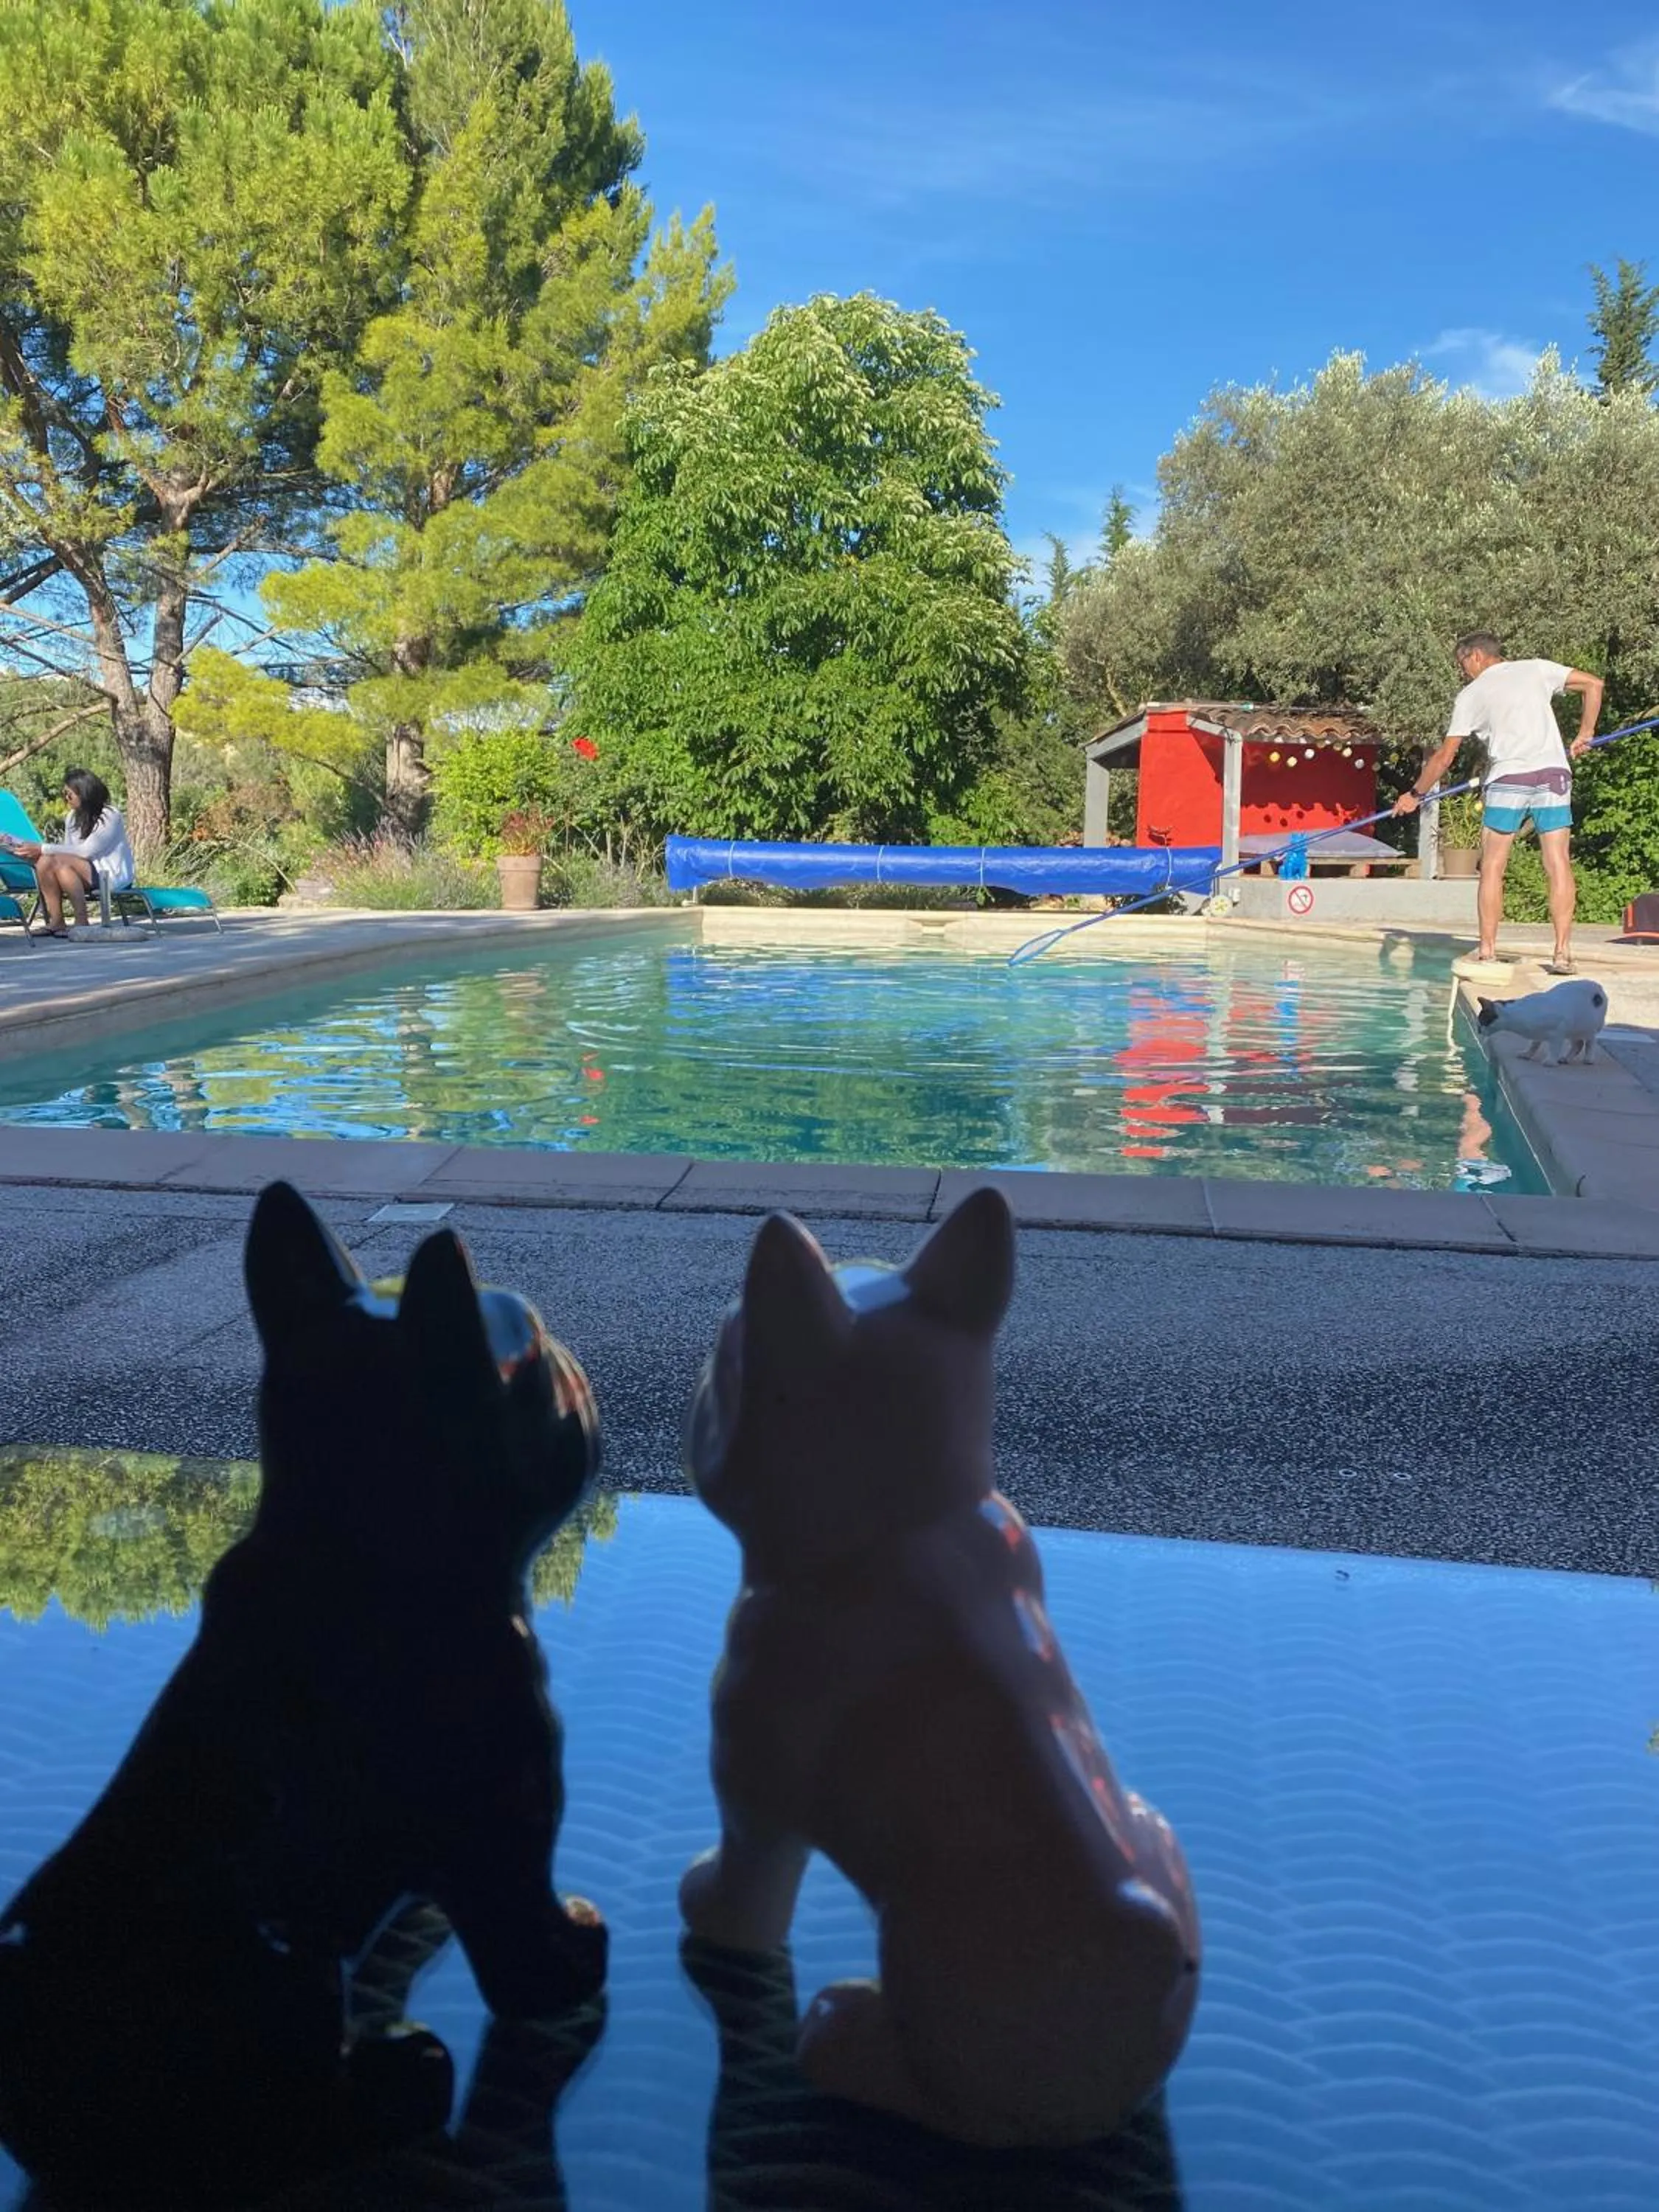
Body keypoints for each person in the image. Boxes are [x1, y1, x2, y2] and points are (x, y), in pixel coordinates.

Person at [1394, 634, 1603, 973]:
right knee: (1558, 861)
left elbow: (1445, 756)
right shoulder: (1537, 669)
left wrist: (1414, 794)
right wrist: (1585, 733)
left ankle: (1487, 950)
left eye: (1463, 665)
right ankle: (1562, 952)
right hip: (1553, 774)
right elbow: (1594, 684)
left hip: (1509, 778)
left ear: (1476, 656)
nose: (1464, 673)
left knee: (1492, 865)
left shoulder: (1472, 695)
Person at [0, 768, 136, 938]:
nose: (66, 799)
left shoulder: (109, 815)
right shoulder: (72, 817)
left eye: (69, 794)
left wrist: (42, 848)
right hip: (82, 872)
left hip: (109, 875)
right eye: (64, 794)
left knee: (55, 860)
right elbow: (67, 851)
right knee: (47, 862)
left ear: (84, 793)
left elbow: (86, 851)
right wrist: (19, 848)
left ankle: (81, 921)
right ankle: (57, 921)